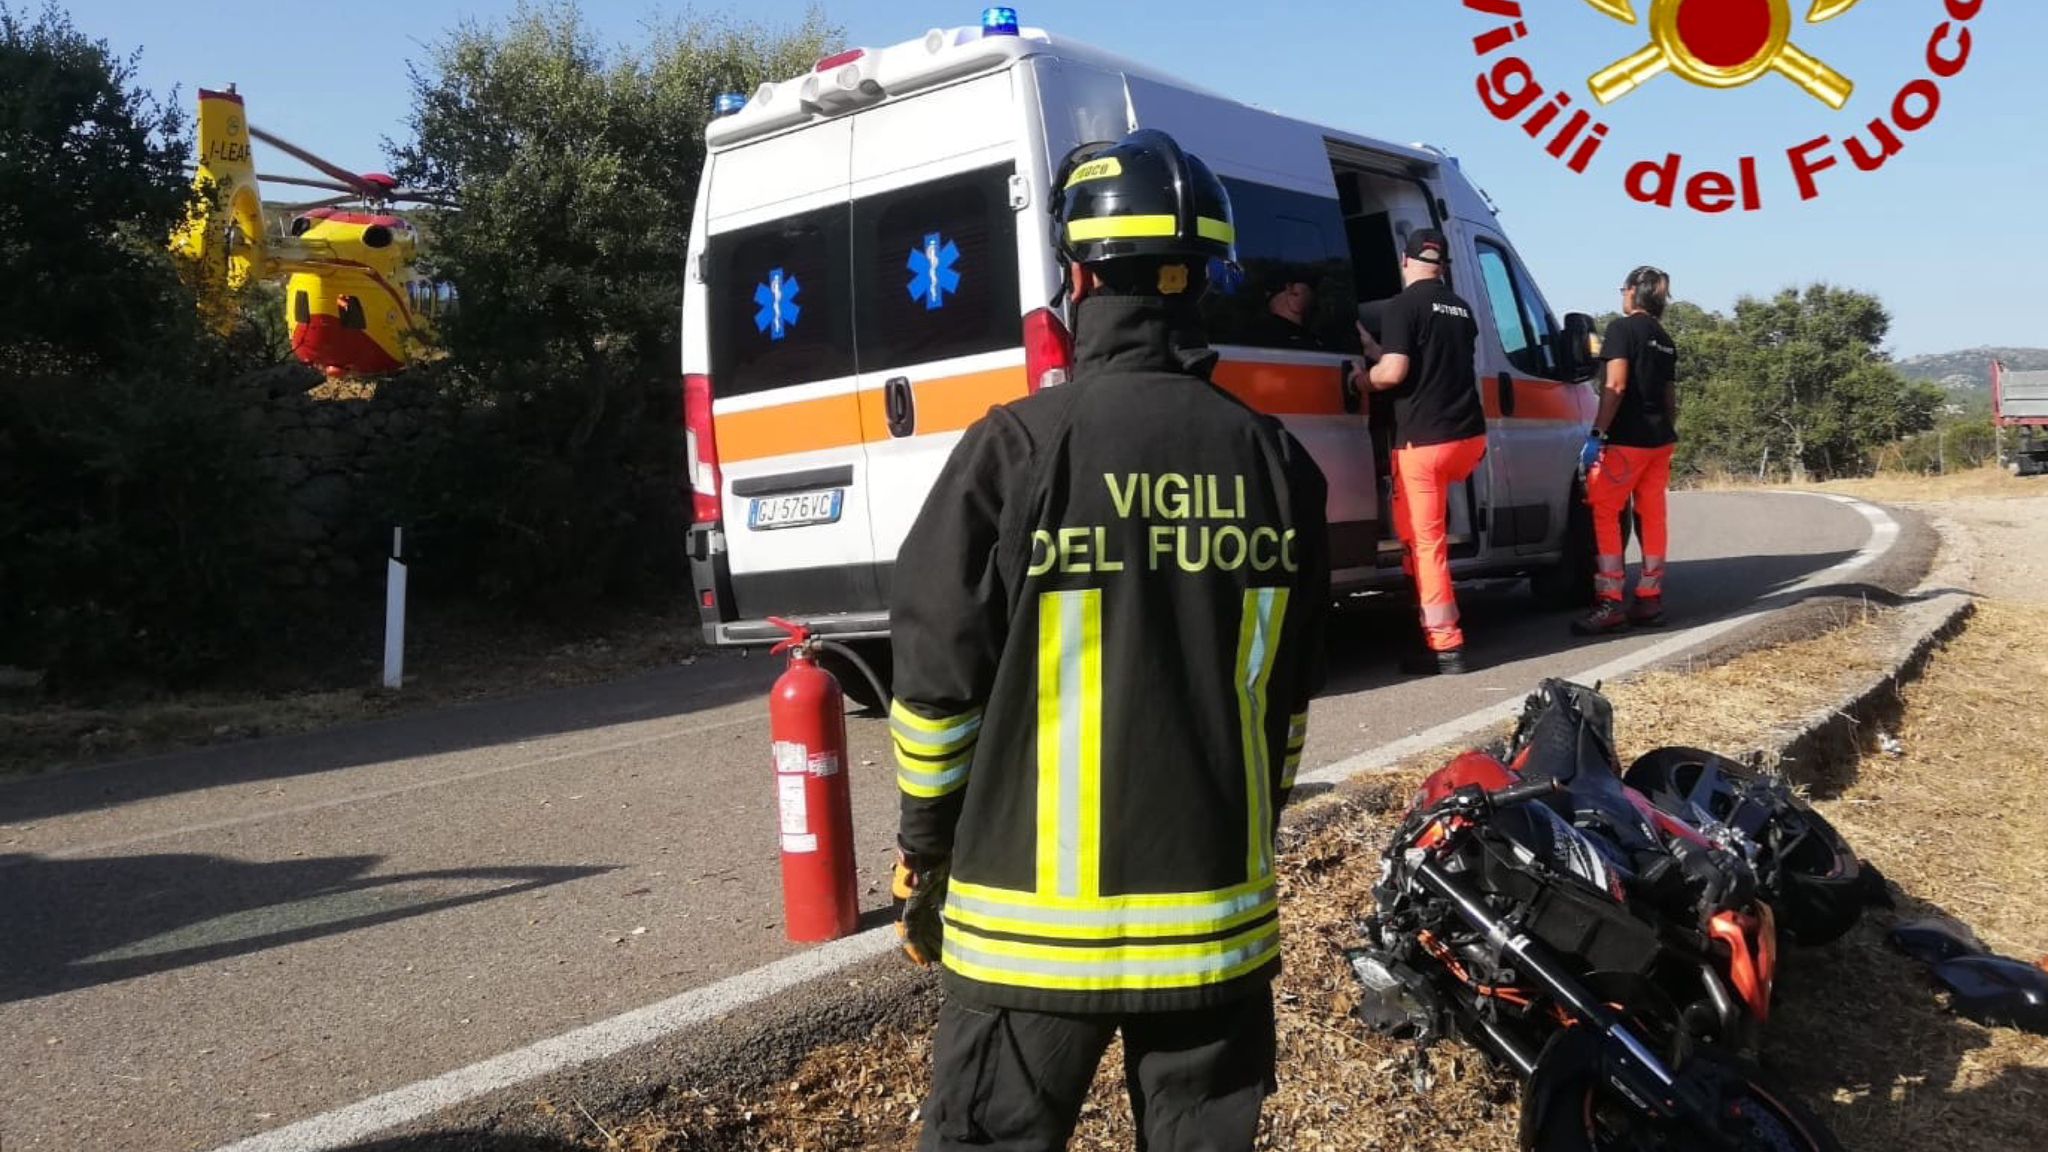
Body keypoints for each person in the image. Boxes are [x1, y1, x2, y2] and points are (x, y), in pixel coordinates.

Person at [886, 127, 1331, 1152]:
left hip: (1025, 939)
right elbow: (1288, 700)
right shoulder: (1276, 462)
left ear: (1076, 276)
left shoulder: (1017, 448)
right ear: (1203, 279)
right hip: (1213, 929)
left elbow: (937, 682)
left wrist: (924, 850)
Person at [1350, 228, 1486, 675]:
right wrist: (1373, 347)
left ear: (1405, 262)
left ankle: (1445, 646)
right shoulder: (1461, 308)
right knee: (1415, 536)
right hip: (1467, 439)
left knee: (1427, 545)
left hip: (1424, 443)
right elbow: (1427, 357)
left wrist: (1360, 380)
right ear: (1441, 264)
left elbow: (1394, 373)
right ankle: (1424, 622)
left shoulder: (1402, 305)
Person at [1575, 265, 1679, 635]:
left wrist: (1597, 433)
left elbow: (1615, 386)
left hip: (1625, 442)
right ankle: (1649, 597)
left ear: (1635, 291)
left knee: (1605, 513)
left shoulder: (1622, 330)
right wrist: (1668, 431)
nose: (1622, 295)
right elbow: (1669, 397)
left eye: (1624, 289)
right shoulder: (1664, 338)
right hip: (1659, 442)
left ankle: (1611, 602)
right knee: (1652, 517)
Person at [1249, 269, 1322, 348]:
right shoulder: (1302, 344)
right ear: (1292, 292)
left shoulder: (1252, 336)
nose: (1316, 300)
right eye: (1312, 290)